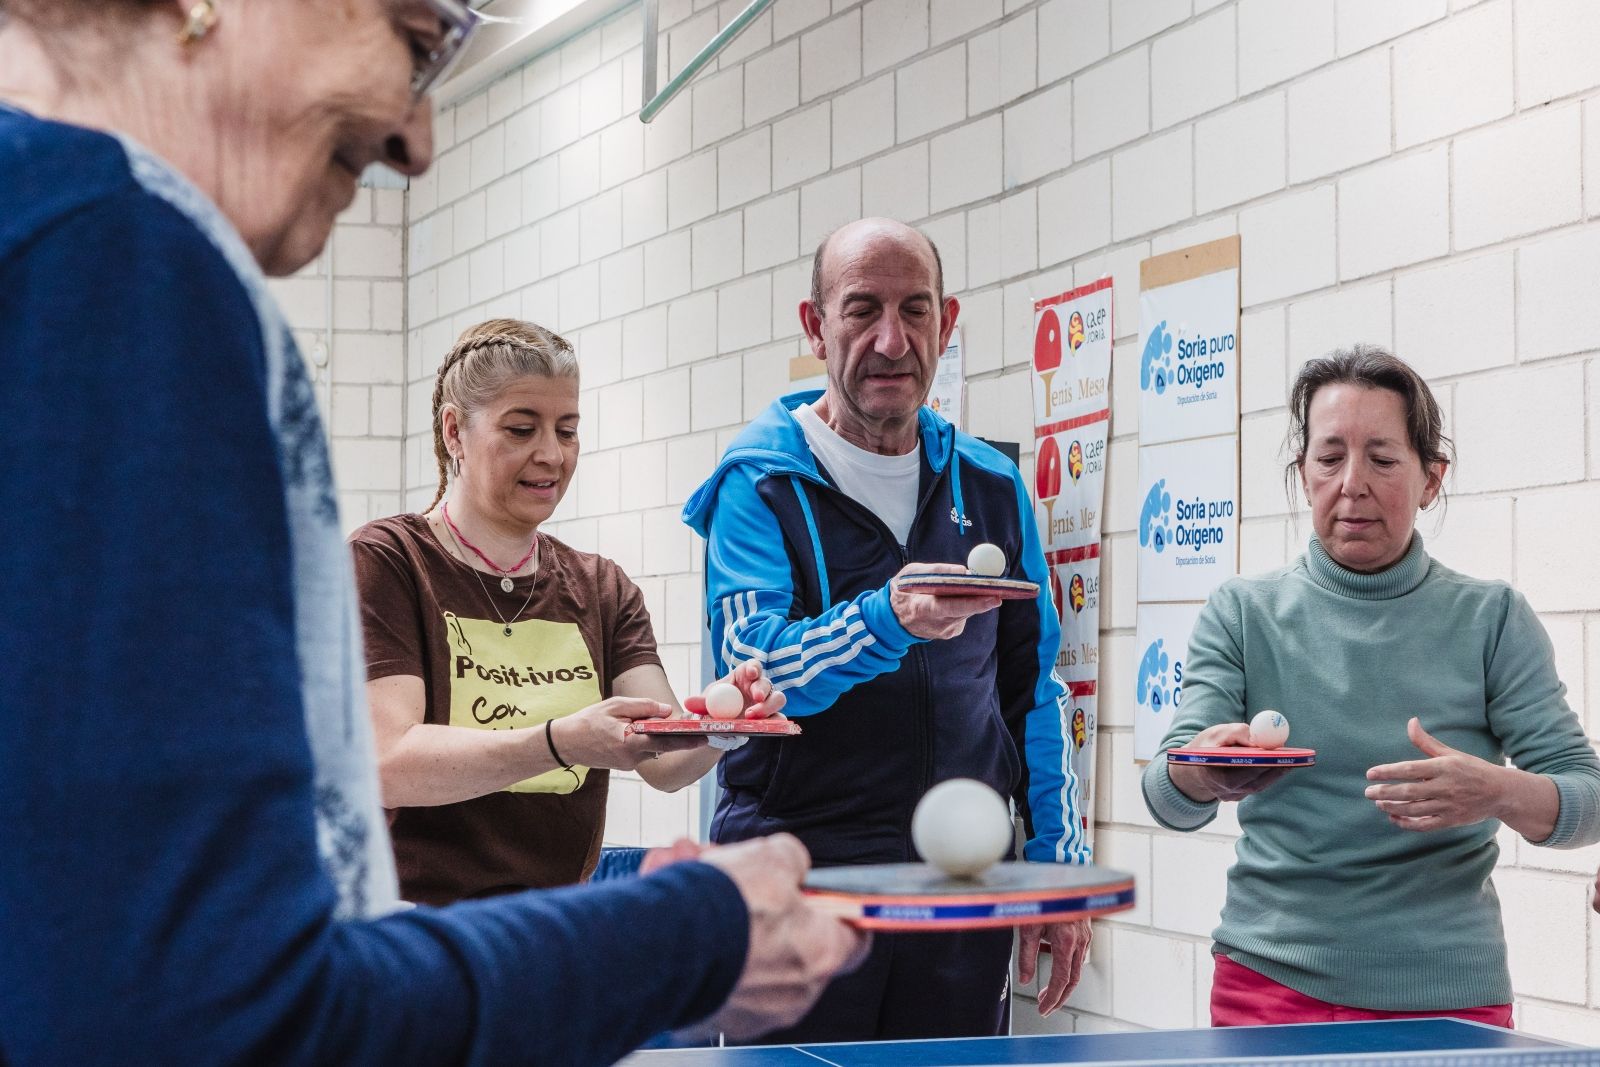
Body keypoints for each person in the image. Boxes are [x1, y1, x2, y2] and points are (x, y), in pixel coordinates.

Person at [0, 2, 865, 1063]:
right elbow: (221, 1009)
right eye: (415, 37)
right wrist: (685, 935)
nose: (417, 141)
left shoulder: (68, 242)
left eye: (567, 430)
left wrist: (716, 719)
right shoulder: (113, 261)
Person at [683, 217, 1093, 1042]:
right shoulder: (758, 484)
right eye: (862, 309)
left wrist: (1057, 865)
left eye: (915, 310)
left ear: (947, 321)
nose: (891, 340)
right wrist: (889, 617)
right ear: (815, 325)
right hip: (799, 883)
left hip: (960, 881)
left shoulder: (992, 484)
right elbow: (756, 679)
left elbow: (1035, 691)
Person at [1142, 345, 1600, 1028]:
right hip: (1268, 985)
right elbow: (1166, 796)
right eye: (1329, 458)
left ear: (1431, 479)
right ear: (1303, 475)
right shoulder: (1242, 611)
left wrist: (1497, 791)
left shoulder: (1493, 617)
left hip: (1449, 997)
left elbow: (1587, 797)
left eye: (1382, 459)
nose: (1352, 483)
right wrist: (1200, 771)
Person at [354, 317, 784, 904]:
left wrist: (719, 726)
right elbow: (387, 762)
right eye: (521, 429)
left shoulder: (600, 587)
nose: (551, 455)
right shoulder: (391, 561)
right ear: (454, 431)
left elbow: (661, 762)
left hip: (553, 916)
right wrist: (560, 744)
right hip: (419, 923)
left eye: (567, 430)